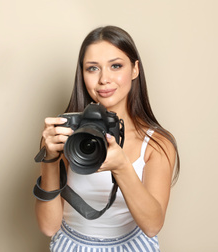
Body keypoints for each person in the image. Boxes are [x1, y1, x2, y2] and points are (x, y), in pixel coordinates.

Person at [34, 25, 180, 251]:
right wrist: (50, 158)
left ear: (134, 69)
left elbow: (152, 226)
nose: (104, 79)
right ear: (82, 74)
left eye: (116, 66)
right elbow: (49, 226)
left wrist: (121, 166)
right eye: (92, 68)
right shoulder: (65, 136)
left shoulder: (156, 144)